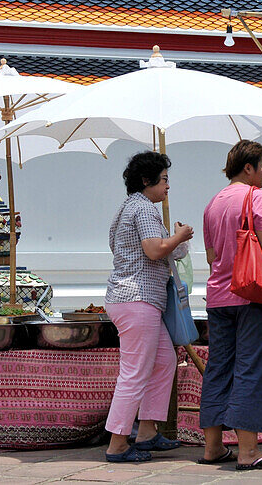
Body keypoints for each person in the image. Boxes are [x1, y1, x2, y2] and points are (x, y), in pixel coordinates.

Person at [198, 140, 262, 471]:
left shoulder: (213, 203)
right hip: (251, 295)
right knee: (251, 369)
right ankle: (248, 452)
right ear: (249, 168)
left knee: (218, 369)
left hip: (217, 296)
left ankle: (213, 447)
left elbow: (212, 256)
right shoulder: (257, 197)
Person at [103, 151, 192, 463]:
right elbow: (154, 250)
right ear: (146, 180)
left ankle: (147, 431)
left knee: (165, 360)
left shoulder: (130, 208)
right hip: (136, 299)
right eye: (164, 179)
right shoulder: (142, 209)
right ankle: (117, 443)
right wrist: (178, 236)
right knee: (135, 372)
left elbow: (151, 250)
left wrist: (176, 242)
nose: (168, 186)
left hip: (137, 299)